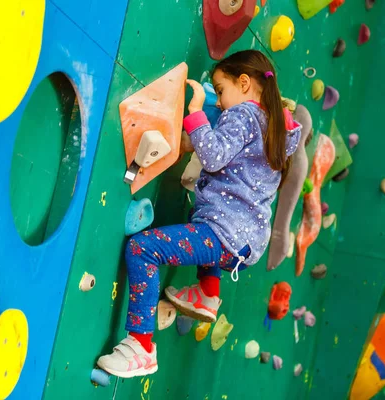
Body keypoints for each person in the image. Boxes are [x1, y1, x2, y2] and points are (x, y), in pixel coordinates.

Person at [97, 50, 302, 378]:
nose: (218, 102)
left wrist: (195, 114)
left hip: (224, 233)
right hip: (244, 243)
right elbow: (229, 154)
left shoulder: (244, 115)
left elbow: (215, 156)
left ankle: (141, 346)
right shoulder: (273, 128)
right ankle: (208, 294)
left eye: (220, 90)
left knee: (143, 249)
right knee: (203, 215)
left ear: (245, 83)